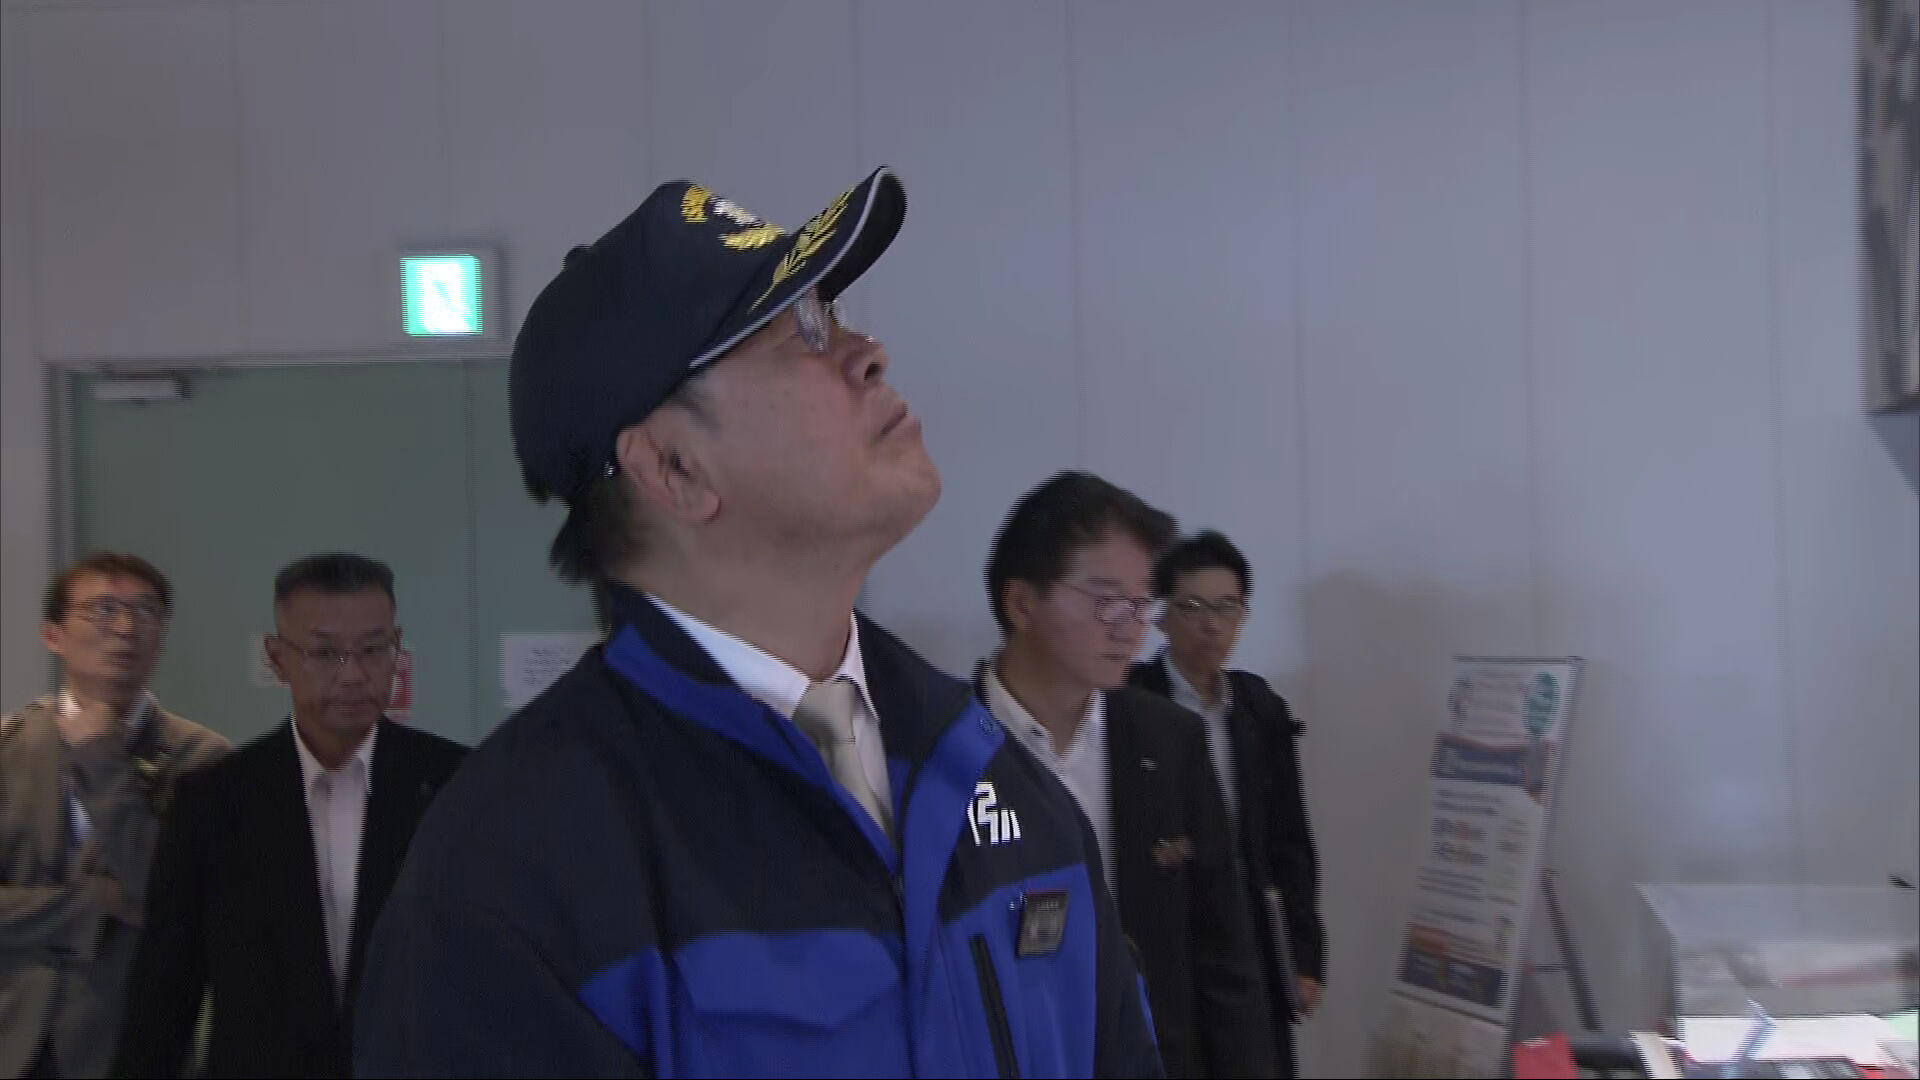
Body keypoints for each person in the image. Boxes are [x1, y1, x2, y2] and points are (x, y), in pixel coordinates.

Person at [353, 168, 1163, 1078]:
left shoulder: (989, 772)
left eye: (834, 308)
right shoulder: (519, 868)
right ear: (674, 469)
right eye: (801, 328)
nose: (868, 352)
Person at [112, 554, 466, 1078]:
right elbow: (165, 993)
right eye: (324, 653)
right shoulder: (214, 801)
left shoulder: (456, 785)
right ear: (278, 659)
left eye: (373, 649)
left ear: (397, 649)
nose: (352, 674)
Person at [982, 473, 1275, 1079]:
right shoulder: (943, 749)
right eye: (1107, 600)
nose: (1131, 627)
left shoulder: (1167, 741)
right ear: (1022, 603)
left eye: (1142, 604)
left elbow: (1224, 954)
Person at [0, 553, 229, 1079]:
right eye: (103, 609)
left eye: (145, 611)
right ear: (53, 635)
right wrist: (91, 905)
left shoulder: (202, 758)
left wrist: (99, 756)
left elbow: (171, 900)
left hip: (133, 1043)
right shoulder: (10, 748)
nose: (126, 627)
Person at [1129, 530, 1326, 1078]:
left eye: (1227, 607)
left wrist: (1305, 957)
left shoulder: (1258, 707)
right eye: (1192, 607)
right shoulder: (1130, 703)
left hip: (1252, 932)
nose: (1211, 624)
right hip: (1168, 937)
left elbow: (1291, 840)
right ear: (1162, 614)